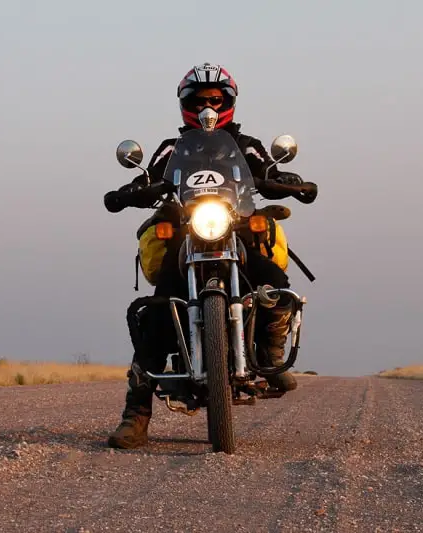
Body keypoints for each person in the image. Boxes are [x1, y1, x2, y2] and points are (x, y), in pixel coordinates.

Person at [104, 63, 317, 449]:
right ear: (186, 105)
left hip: (233, 226)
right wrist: (132, 189)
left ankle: (269, 354)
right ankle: (135, 415)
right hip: (187, 233)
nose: (209, 107)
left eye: (216, 100)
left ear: (229, 103)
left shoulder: (245, 144)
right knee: (156, 311)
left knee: (275, 282)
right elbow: (150, 177)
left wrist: (286, 180)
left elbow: (265, 168)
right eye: (200, 101)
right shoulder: (172, 149)